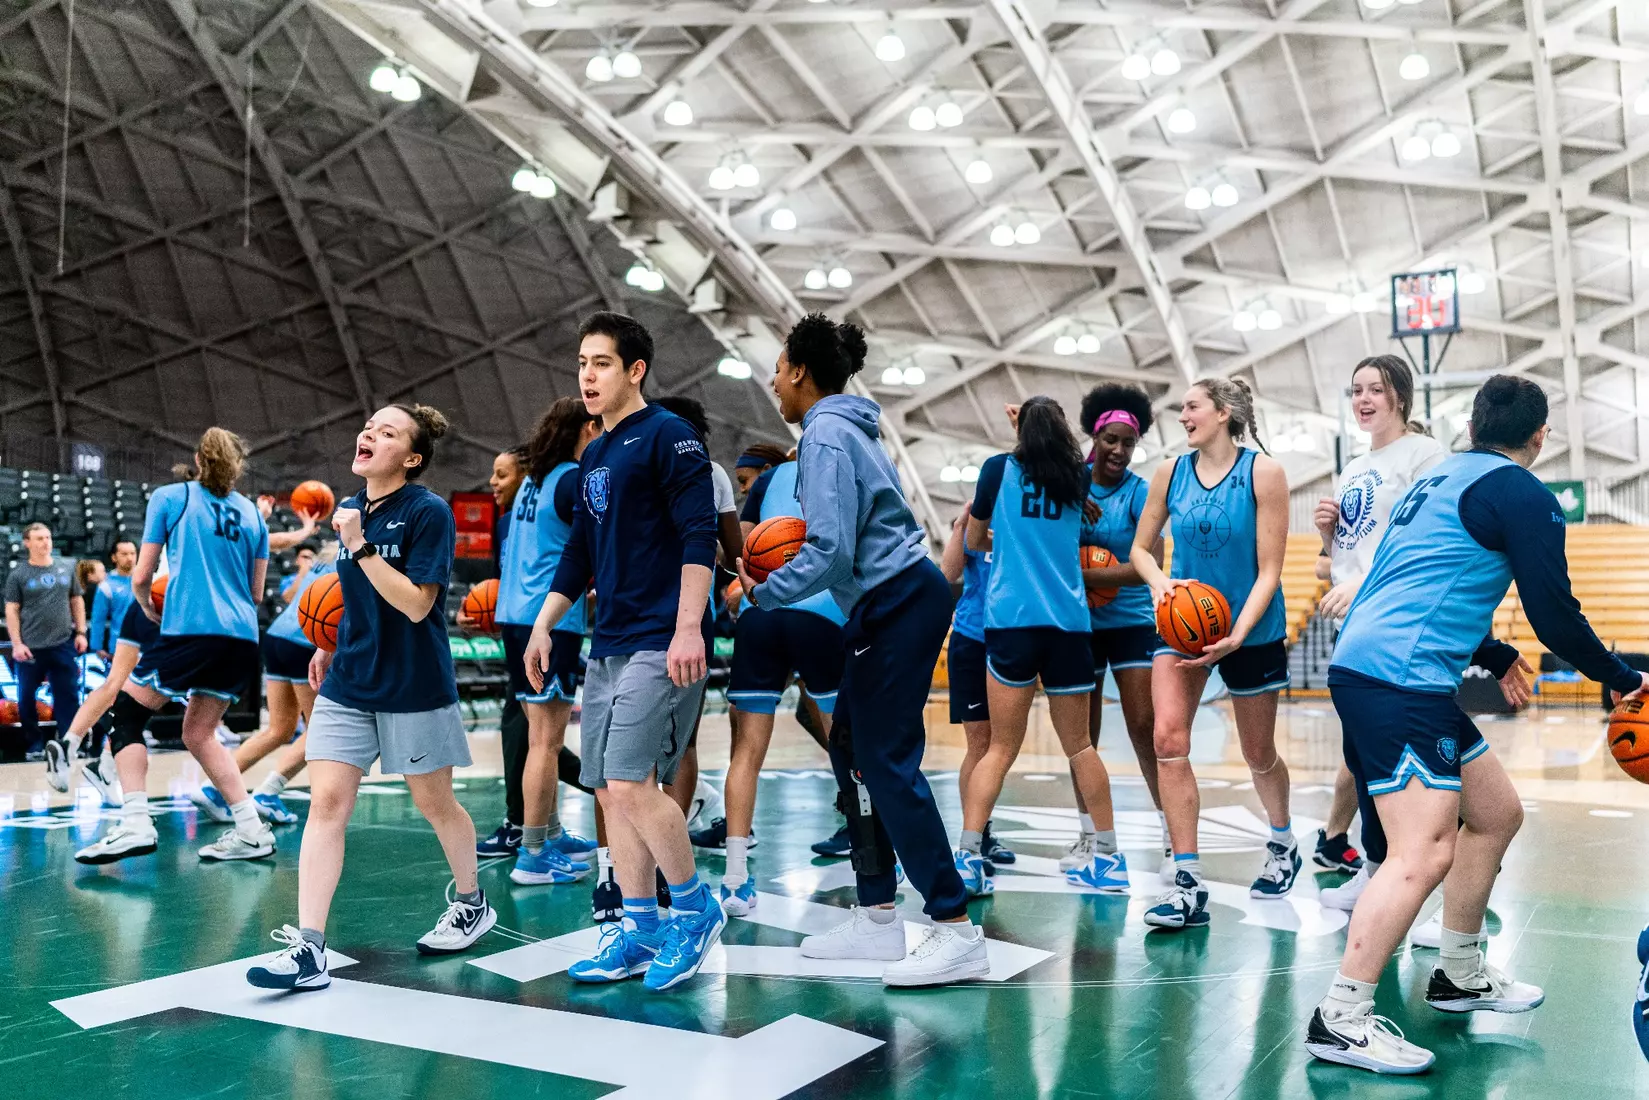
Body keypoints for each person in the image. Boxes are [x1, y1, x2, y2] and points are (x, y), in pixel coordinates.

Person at [1304, 375, 1649, 1074]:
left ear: (1469, 427)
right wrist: (1622, 678)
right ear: (1539, 436)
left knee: (1494, 813)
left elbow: (1407, 576)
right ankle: (1338, 1019)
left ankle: (1458, 970)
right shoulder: (1521, 492)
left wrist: (1492, 652)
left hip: (1382, 667)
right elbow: (1553, 611)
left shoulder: (1439, 479)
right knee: (1421, 852)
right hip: (1396, 679)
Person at [736, 313, 983, 988]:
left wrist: (756, 595)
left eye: (777, 367)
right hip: (890, 600)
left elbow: (826, 549)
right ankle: (876, 918)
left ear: (799, 371)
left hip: (899, 599)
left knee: (884, 759)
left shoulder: (825, 435)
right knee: (849, 745)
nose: (771, 380)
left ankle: (955, 927)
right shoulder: (846, 428)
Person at [247, 404, 494, 992]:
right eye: (367, 427)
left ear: (410, 457)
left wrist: (359, 548)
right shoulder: (353, 510)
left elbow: (416, 604)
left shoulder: (427, 512)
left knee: (435, 804)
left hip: (413, 683)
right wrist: (332, 642)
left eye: (387, 432)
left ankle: (471, 901)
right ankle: (309, 948)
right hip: (349, 679)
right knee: (327, 803)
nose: (368, 435)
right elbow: (358, 599)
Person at [523, 312, 725, 993]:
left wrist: (689, 627)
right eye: (582, 361)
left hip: (661, 635)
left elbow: (701, 535)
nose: (586, 374)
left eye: (601, 362)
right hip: (608, 639)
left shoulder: (671, 438)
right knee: (609, 788)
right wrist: (545, 623)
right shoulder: (593, 455)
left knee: (635, 784)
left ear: (634, 370)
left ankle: (695, 910)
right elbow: (580, 550)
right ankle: (638, 926)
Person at [1129, 378, 1295, 930]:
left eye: (1192, 406)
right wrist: (1161, 587)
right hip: (1182, 622)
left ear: (1223, 413)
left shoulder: (1264, 473)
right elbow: (1140, 549)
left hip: (1249, 625)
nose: (1182, 416)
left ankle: (1282, 841)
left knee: (1257, 753)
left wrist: (1237, 634)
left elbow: (1270, 569)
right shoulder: (1168, 473)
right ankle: (1187, 883)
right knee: (1167, 739)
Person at [72, 430, 275, 866]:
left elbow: (142, 576)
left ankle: (135, 823)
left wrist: (147, 607)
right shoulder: (254, 516)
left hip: (193, 630)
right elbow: (257, 593)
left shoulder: (171, 497)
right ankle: (251, 830)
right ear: (238, 465)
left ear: (199, 458)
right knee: (199, 734)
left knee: (126, 713)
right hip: (242, 637)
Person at [959, 396, 1124, 896]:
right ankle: (1110, 858)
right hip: (1069, 626)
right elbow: (1067, 453)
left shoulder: (996, 470)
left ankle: (967, 857)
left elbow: (972, 540)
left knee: (1000, 749)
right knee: (1082, 747)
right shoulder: (1077, 478)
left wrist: (1007, 543)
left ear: (1020, 431)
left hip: (1012, 623)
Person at [1313, 356, 1449, 913]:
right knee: (1362, 756)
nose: (1363, 398)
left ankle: (1421, 884)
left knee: (1405, 761)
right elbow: (1334, 564)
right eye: (1356, 389)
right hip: (1354, 624)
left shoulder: (1425, 455)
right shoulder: (1353, 466)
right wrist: (1327, 536)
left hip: (1395, 622)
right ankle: (1373, 868)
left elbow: (1422, 541)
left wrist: (1364, 582)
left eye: (1376, 389)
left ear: (1401, 397)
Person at [716, 449, 846, 915]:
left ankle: (733, 880)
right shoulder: (845, 466)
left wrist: (741, 587)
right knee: (845, 742)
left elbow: (738, 552)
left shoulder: (769, 482)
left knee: (746, 752)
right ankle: (870, 854)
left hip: (762, 612)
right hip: (824, 615)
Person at [497, 398, 601, 890]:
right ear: (583, 429)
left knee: (541, 734)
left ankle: (550, 833)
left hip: (516, 617)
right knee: (546, 741)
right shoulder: (572, 480)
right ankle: (533, 852)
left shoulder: (534, 482)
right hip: (548, 621)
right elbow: (590, 548)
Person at [1068, 384, 1168, 881]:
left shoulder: (1138, 491)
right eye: (1111, 439)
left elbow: (1146, 567)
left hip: (1129, 620)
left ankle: (1172, 830)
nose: (1119, 451)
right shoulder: (1070, 484)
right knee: (1081, 736)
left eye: (1128, 443)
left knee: (1143, 728)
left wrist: (1084, 575)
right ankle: (1090, 833)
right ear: (1095, 435)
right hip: (1079, 623)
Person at [193, 547, 340, 826]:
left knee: (279, 728)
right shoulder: (361, 553)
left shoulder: (327, 555)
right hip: (307, 641)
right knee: (322, 728)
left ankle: (213, 789)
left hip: (277, 636)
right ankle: (268, 793)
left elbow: (289, 596)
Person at [649, 395, 743, 829]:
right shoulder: (712, 473)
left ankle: (623, 855)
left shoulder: (631, 462)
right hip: (691, 612)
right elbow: (734, 553)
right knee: (681, 740)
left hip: (638, 610)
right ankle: (672, 842)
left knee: (628, 742)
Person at [477, 446, 531, 859]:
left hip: (541, 631)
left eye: (502, 474)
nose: (493, 483)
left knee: (525, 729)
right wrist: (482, 613)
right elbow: (502, 581)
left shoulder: (546, 509)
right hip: (515, 629)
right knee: (522, 729)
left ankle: (521, 825)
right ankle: (539, 824)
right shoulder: (505, 521)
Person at [5, 523, 87, 762]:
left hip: (62, 644)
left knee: (67, 695)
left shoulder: (66, 568)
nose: (45, 542)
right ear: (27, 542)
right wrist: (17, 643)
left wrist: (80, 632)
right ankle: (34, 743)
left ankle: (68, 743)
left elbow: (77, 600)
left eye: (48, 537)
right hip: (30, 647)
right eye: (39, 538)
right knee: (26, 697)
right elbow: (12, 610)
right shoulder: (18, 574)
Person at [87, 540, 136, 661]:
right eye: (124, 554)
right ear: (114, 557)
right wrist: (97, 647)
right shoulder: (106, 586)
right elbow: (98, 619)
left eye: (133, 553)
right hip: (120, 647)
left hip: (148, 645)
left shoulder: (150, 580)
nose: (130, 558)